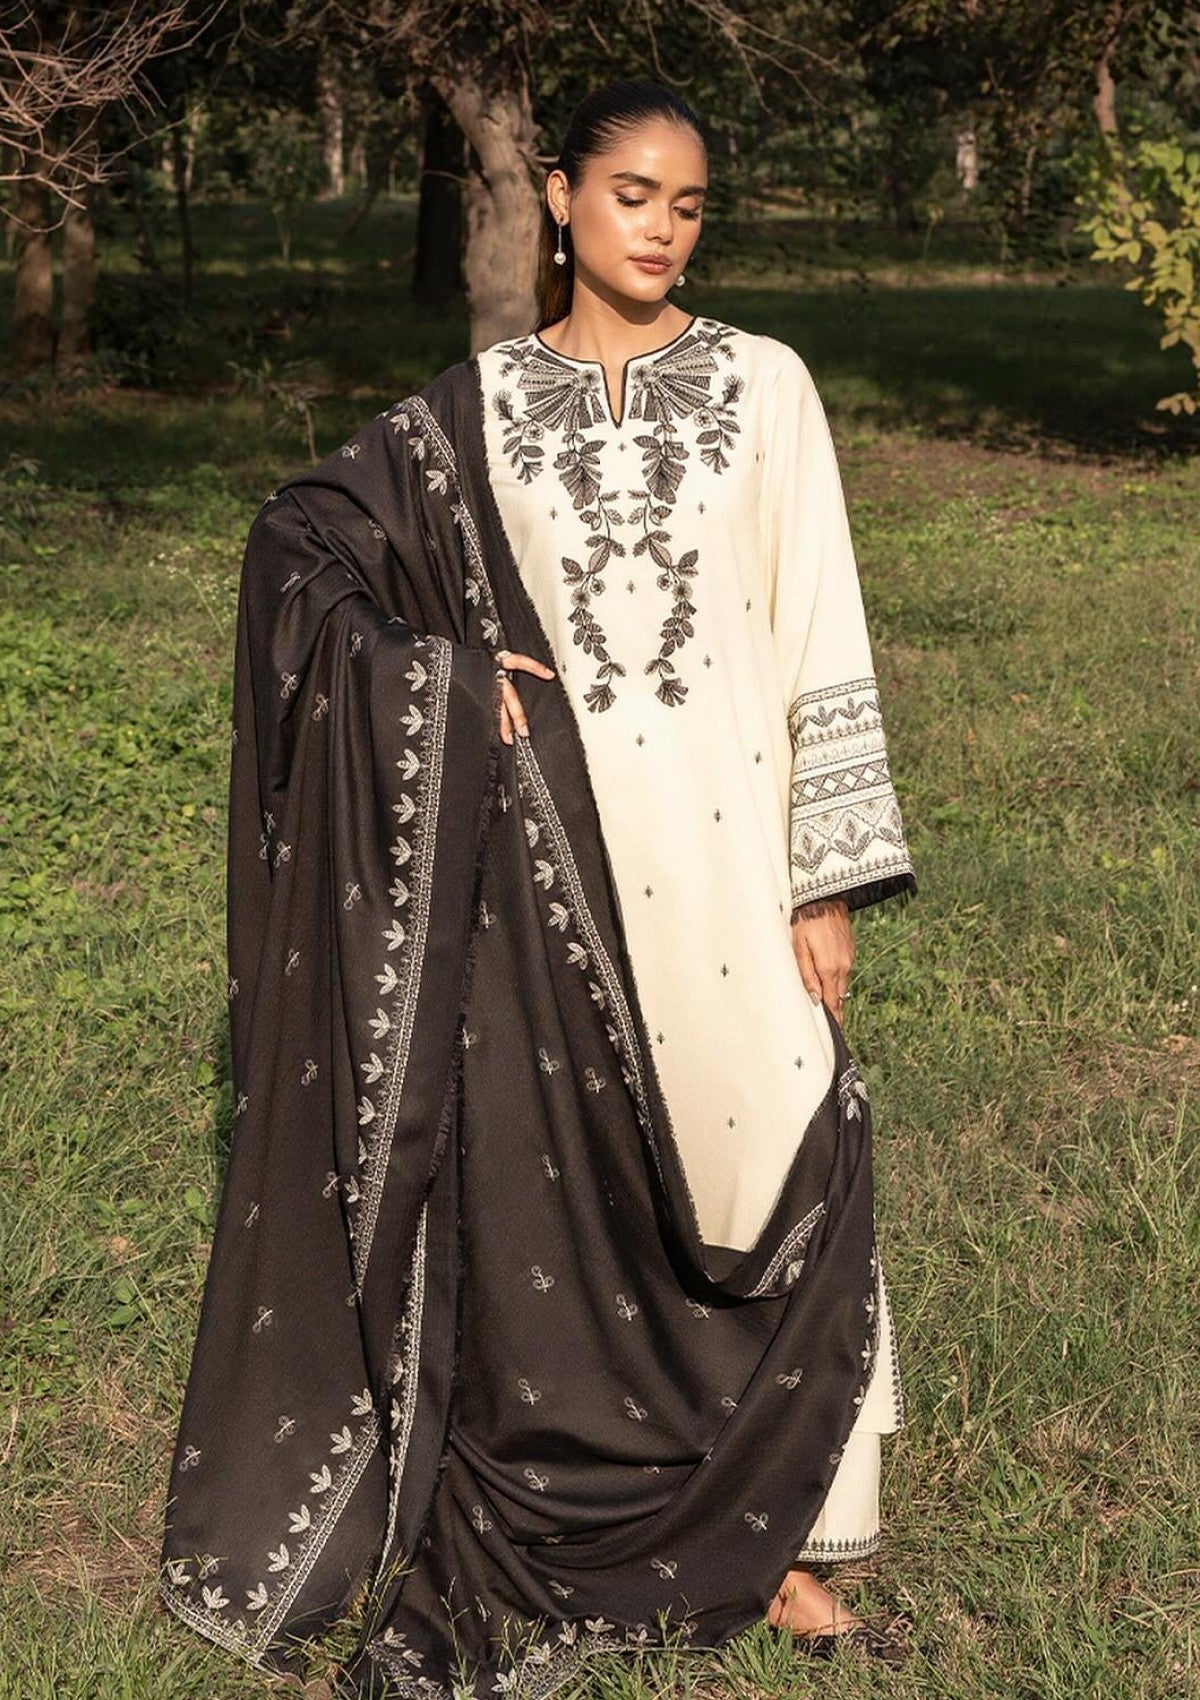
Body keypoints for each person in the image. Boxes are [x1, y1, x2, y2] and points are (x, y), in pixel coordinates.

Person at [160, 78, 917, 1700]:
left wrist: (827, 877)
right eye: (634, 194)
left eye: (689, 204)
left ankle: (792, 1534)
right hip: (554, 861)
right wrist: (432, 674)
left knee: (775, 1128)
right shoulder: (480, 407)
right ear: (563, 198)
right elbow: (300, 547)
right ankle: (613, 1498)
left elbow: (820, 624)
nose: (663, 228)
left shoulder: (766, 385)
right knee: (580, 1196)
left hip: (734, 844)